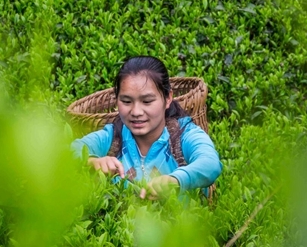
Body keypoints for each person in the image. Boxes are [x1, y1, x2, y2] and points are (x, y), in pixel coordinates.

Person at [71, 56, 222, 200]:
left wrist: (175, 180)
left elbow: (210, 164)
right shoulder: (111, 137)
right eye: (126, 101)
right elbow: (67, 152)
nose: (136, 112)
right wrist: (92, 162)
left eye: (147, 101)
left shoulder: (184, 134)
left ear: (168, 98)